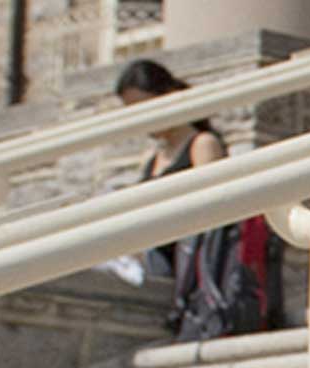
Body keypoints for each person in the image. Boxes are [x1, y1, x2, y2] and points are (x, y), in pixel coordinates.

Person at [116, 59, 281, 340]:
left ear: (167, 96)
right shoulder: (153, 157)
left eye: (143, 106)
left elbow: (213, 209)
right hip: (159, 252)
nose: (140, 119)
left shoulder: (202, 144)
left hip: (193, 258)